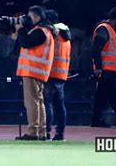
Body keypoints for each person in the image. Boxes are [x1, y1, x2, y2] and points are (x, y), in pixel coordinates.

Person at [15, 6, 55, 140]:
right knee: (39, 102)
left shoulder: (39, 31)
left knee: (31, 102)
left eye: (29, 17)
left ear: (37, 17)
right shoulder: (46, 30)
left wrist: (20, 30)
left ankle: (33, 131)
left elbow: (26, 43)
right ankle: (41, 131)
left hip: (32, 70)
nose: (27, 19)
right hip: (39, 71)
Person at [91, 7, 116, 127]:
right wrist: (98, 67)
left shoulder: (108, 29)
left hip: (108, 69)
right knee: (109, 95)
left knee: (106, 95)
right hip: (106, 69)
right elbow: (96, 49)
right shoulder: (105, 29)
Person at [43, 10, 71, 141]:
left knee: (47, 103)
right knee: (60, 105)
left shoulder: (52, 33)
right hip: (62, 73)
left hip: (50, 72)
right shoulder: (66, 33)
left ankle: (46, 132)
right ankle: (60, 133)